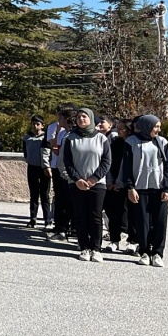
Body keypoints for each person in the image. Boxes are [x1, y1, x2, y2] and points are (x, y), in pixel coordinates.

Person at [118, 114, 168, 268]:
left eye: (159, 127)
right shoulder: (131, 142)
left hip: (159, 189)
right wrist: (130, 187)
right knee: (141, 222)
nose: (158, 129)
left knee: (159, 222)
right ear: (146, 126)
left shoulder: (162, 142)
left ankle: (157, 253)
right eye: (156, 126)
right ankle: (144, 251)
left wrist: (167, 188)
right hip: (139, 188)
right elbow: (127, 168)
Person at [62, 107, 111, 262]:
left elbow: (106, 161)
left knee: (95, 216)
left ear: (90, 118)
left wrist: (94, 179)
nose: (81, 119)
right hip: (77, 183)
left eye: (84, 116)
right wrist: (77, 179)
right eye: (79, 117)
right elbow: (67, 162)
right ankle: (84, 247)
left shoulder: (101, 138)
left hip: (97, 184)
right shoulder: (70, 138)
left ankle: (96, 248)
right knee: (80, 215)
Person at [46, 103, 76, 241]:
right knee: (60, 199)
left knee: (70, 200)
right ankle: (61, 228)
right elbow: (54, 147)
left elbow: (57, 150)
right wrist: (57, 130)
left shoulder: (72, 134)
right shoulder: (61, 132)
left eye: (62, 118)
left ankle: (70, 228)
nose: (59, 120)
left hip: (69, 170)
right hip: (58, 168)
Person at [104, 118, 132, 253]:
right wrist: (110, 180)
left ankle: (132, 241)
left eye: (123, 128)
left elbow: (127, 166)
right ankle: (114, 239)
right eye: (118, 127)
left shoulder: (133, 144)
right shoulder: (115, 143)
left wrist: (121, 183)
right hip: (114, 183)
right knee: (113, 212)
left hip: (129, 184)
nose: (120, 130)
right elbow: (109, 163)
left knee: (130, 213)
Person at [22, 115, 52, 229]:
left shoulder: (46, 138)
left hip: (43, 168)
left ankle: (47, 220)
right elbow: (25, 153)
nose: (35, 126)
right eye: (33, 124)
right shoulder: (27, 138)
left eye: (38, 124)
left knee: (45, 194)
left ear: (42, 125)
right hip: (32, 168)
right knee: (33, 195)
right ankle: (32, 219)